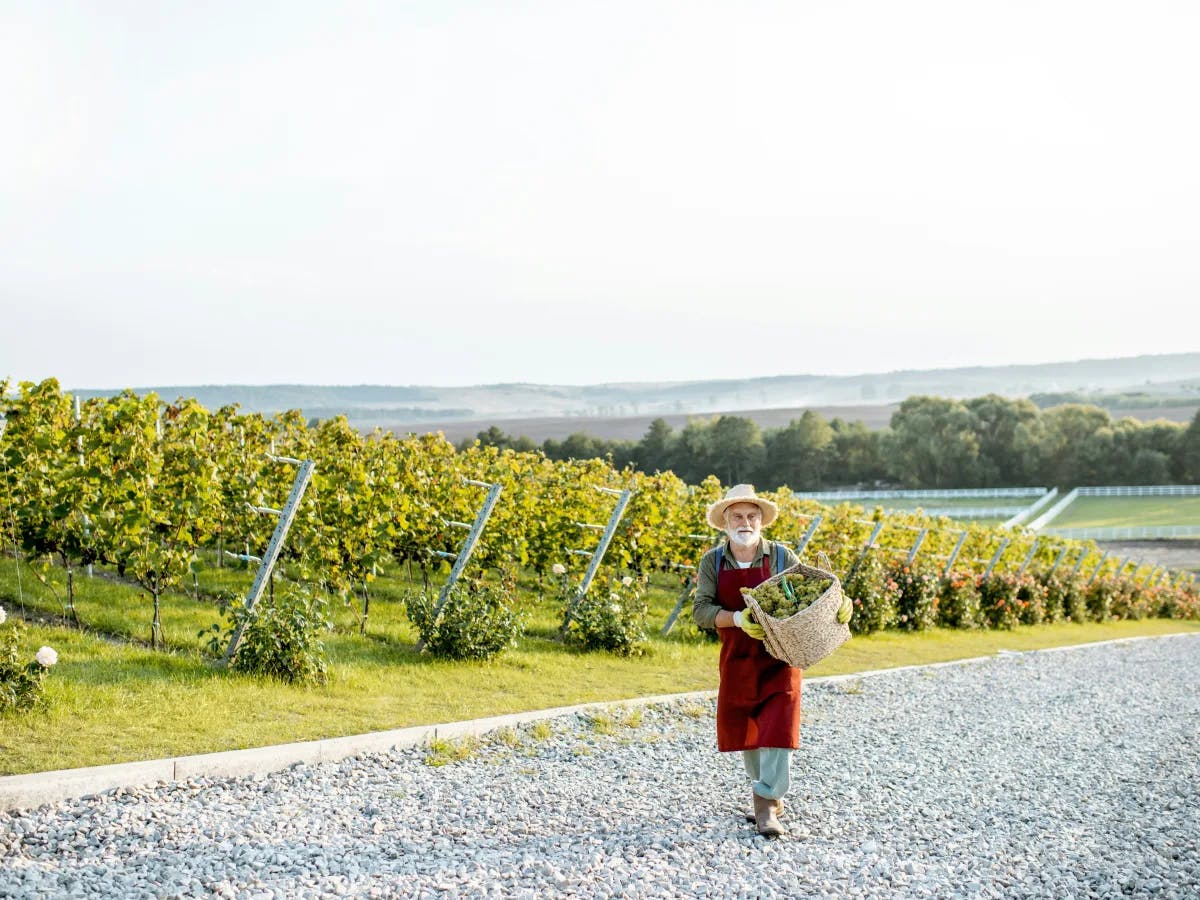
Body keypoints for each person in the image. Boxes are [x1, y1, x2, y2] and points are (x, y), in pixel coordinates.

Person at [691, 483, 850, 838]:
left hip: (781, 656)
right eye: (737, 516)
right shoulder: (713, 562)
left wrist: (840, 604)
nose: (744, 522)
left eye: (751, 516)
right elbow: (701, 610)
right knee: (749, 735)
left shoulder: (781, 556)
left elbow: (813, 595)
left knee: (779, 727)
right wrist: (736, 619)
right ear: (725, 522)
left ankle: (765, 805)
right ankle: (766, 795)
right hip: (738, 658)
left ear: (761, 521)